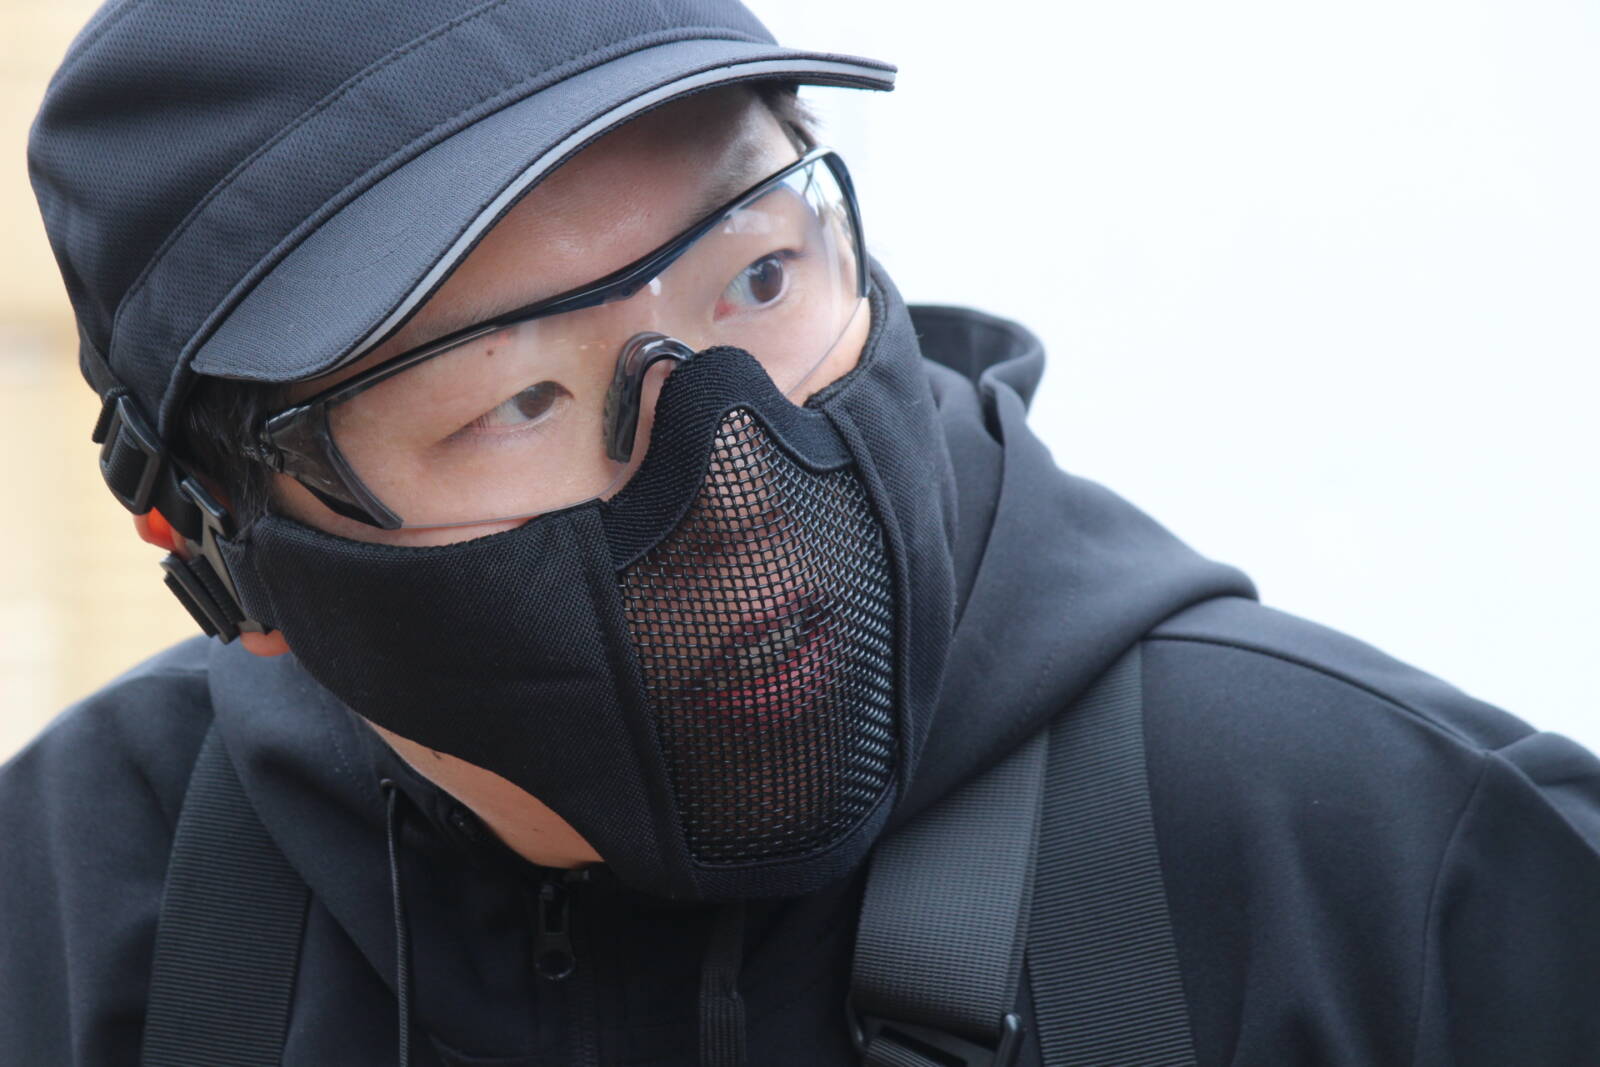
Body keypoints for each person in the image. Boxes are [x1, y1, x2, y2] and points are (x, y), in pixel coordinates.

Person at [6, 1, 1599, 1064]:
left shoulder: (1408, 874)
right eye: (516, 402)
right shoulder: (75, 915)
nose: (725, 471)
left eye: (759, 279)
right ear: (220, 547)